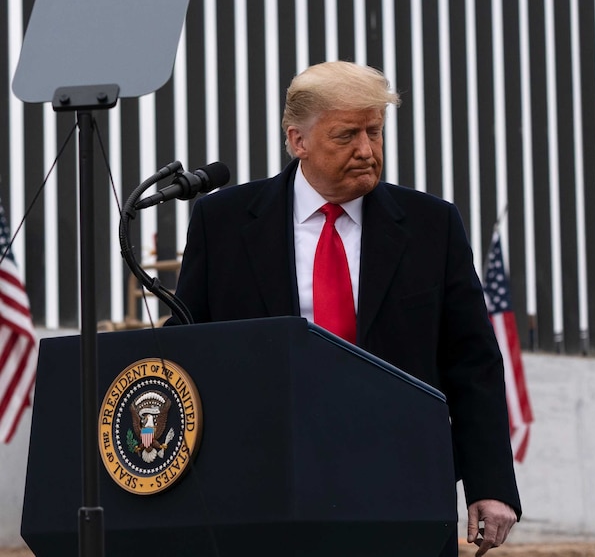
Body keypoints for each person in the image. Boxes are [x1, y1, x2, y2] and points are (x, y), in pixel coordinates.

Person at [169, 60, 521, 556]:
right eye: (346, 135)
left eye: (375, 133)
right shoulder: (222, 223)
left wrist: (489, 483)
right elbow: (189, 349)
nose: (366, 150)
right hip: (263, 489)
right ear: (298, 140)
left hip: (399, 486)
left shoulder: (431, 226)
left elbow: (473, 362)